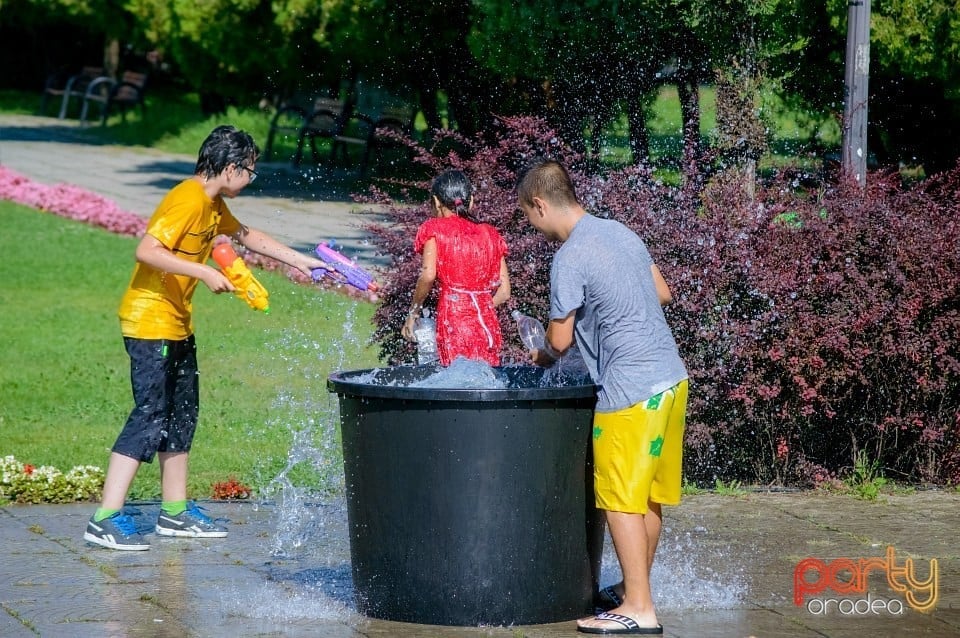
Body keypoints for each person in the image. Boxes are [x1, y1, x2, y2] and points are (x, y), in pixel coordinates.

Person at [84, 125, 332, 551]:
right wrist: (204, 271)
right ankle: (105, 517)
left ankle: (175, 512)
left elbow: (247, 237)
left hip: (177, 323)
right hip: (149, 323)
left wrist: (302, 262)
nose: (250, 180)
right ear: (231, 168)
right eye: (249, 172)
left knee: (182, 415)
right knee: (150, 415)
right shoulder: (187, 199)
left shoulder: (215, 206)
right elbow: (146, 250)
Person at [517, 158, 688, 636]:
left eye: (529, 218)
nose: (534, 227)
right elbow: (661, 292)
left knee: (618, 499)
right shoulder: (620, 232)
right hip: (671, 381)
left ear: (540, 203)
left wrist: (540, 358)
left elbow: (560, 338)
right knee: (646, 497)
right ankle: (637, 592)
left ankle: (639, 608)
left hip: (630, 393)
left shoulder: (569, 257)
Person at [402, 169, 510, 365]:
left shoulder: (434, 229)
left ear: (436, 201)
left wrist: (413, 313)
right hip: (487, 322)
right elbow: (504, 292)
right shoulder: (491, 234)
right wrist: (478, 308)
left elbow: (427, 276)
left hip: (454, 318)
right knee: (488, 378)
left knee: (455, 379)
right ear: (471, 201)